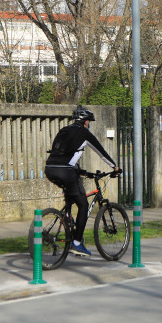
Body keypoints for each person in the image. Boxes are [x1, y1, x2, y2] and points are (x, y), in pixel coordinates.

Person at [45, 106, 120, 256]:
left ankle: (67, 223)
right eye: (89, 122)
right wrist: (115, 167)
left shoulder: (64, 130)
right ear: (86, 122)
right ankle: (77, 243)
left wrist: (80, 171)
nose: (89, 124)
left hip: (50, 169)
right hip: (66, 171)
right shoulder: (84, 133)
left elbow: (63, 154)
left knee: (72, 197)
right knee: (83, 204)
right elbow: (101, 152)